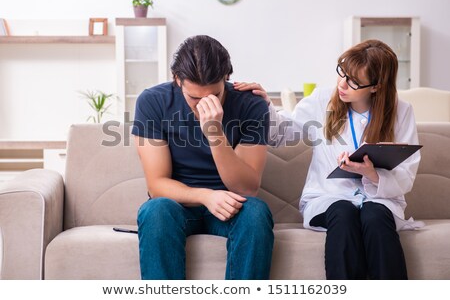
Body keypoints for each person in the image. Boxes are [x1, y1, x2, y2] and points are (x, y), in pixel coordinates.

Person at [234, 39, 422, 280]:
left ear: (376, 87)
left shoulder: (401, 111)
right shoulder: (323, 100)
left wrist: (371, 174)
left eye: (353, 81)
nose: (342, 84)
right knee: (343, 213)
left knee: (374, 217)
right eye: (342, 73)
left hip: (381, 200)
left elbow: (406, 176)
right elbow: (283, 133)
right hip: (328, 197)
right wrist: (264, 105)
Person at [132, 35, 274, 280]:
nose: (203, 105)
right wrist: (206, 196)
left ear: (226, 77)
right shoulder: (152, 101)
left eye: (214, 95)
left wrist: (214, 133)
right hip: (177, 205)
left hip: (231, 203)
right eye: (195, 98)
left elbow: (247, 188)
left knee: (256, 212)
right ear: (177, 80)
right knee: (155, 210)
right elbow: (156, 185)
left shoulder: (251, 104)